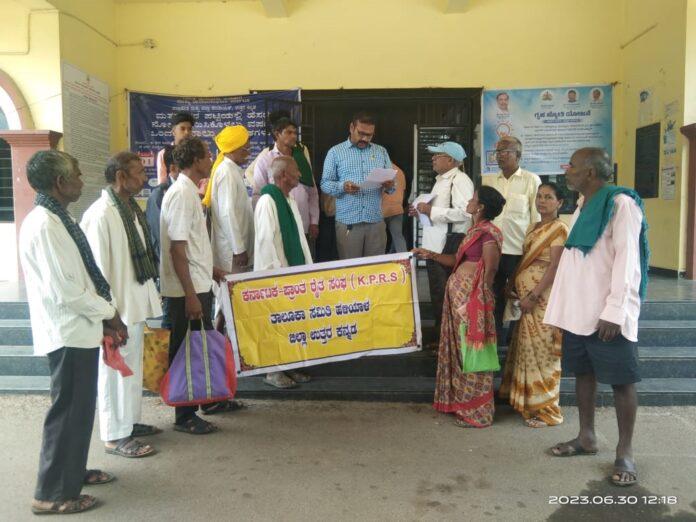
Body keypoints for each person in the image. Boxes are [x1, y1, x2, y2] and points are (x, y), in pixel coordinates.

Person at [20, 150, 126, 515]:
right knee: (67, 412)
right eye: (77, 174)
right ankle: (51, 494)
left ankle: (72, 473)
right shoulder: (45, 225)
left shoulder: (58, 217)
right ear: (60, 182)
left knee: (80, 409)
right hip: (66, 332)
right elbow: (67, 291)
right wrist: (110, 313)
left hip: (78, 329)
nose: (83, 179)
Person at [544, 148, 649, 487]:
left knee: (621, 382)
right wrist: (561, 310)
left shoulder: (621, 204)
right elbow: (576, 264)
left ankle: (625, 452)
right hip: (578, 312)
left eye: (571, 165)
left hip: (607, 315)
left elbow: (628, 261)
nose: (567, 170)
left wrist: (616, 311)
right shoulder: (581, 206)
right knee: (583, 374)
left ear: (589, 172)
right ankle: (586, 437)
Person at [81, 152, 163, 457]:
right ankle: (115, 436)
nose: (144, 178)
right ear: (120, 177)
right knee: (115, 372)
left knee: (131, 369)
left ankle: (129, 422)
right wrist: (108, 316)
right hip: (116, 311)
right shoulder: (101, 214)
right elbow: (97, 272)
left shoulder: (128, 209)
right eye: (139, 172)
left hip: (134, 304)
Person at [412, 186, 505, 428]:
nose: (469, 201)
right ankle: (461, 404)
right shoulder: (473, 230)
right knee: (459, 348)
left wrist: (478, 298)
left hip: (472, 299)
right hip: (458, 297)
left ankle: (478, 412)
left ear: (481, 206)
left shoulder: (489, 233)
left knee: (472, 349)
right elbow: (456, 261)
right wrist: (429, 254)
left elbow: (490, 271)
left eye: (473, 198)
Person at [160, 136, 230, 434]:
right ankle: (184, 415)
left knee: (198, 349)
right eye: (207, 155)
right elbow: (177, 249)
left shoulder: (190, 192)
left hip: (198, 284)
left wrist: (211, 270)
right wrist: (190, 295)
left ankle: (202, 401)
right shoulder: (181, 194)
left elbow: (191, 245)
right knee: (185, 351)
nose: (211, 160)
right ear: (196, 160)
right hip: (184, 291)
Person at [498, 183, 568, 427]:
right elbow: (525, 260)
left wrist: (534, 295)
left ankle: (548, 410)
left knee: (542, 350)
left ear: (559, 203)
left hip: (543, 298)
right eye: (539, 197)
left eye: (549, 197)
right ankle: (528, 403)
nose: (542, 201)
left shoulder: (559, 229)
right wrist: (512, 283)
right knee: (527, 348)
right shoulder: (532, 227)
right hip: (525, 295)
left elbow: (555, 266)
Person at [255, 156, 313, 389]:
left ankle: (289, 366)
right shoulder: (268, 201)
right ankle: (272, 372)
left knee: (292, 324)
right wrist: (275, 279)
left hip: (293, 275)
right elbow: (265, 243)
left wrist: (307, 269)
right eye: (296, 170)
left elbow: (299, 240)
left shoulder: (288, 201)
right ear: (283, 176)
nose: (300, 174)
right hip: (276, 277)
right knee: (275, 324)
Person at [409, 141, 474, 348]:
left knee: (445, 294)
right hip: (435, 245)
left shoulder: (460, 180)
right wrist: (421, 212)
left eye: (438, 155)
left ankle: (447, 341)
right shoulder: (442, 180)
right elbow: (439, 213)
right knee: (438, 293)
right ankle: (442, 338)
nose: (433, 158)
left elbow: (465, 213)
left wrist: (432, 211)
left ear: (451, 160)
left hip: (448, 246)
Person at [482, 136, 541, 335]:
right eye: (498, 151)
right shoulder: (489, 180)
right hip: (492, 250)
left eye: (505, 151)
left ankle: (517, 342)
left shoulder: (531, 180)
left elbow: (536, 218)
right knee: (493, 296)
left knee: (520, 295)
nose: (500, 155)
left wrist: (533, 250)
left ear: (518, 155)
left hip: (518, 251)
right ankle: (494, 341)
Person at [321, 111, 395, 259]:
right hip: (348, 223)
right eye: (361, 133)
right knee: (352, 271)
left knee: (375, 271)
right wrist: (343, 187)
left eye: (369, 135)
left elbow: (392, 188)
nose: (365, 138)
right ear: (351, 127)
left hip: (375, 222)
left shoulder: (381, 151)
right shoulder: (335, 152)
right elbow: (325, 184)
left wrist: (388, 184)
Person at [252, 116, 319, 252]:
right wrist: (263, 224)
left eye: (295, 132)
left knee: (305, 262)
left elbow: (312, 192)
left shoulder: (301, 158)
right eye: (289, 132)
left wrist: (314, 222)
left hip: (303, 223)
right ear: (277, 134)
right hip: (278, 225)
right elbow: (258, 194)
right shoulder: (265, 160)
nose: (294, 136)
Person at [204, 125, 255, 274]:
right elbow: (227, 213)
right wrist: (238, 249)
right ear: (233, 149)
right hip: (232, 252)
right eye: (245, 149)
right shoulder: (227, 172)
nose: (248, 153)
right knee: (230, 293)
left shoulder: (232, 170)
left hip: (236, 248)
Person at [155, 111, 195, 185]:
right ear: (173, 132)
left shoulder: (196, 152)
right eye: (182, 129)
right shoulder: (163, 154)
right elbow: (162, 183)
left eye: (189, 129)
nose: (187, 132)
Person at [382, 163, 407, 253]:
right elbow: (403, 192)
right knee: (398, 237)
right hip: (397, 208)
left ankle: (380, 263)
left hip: (382, 209)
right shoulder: (400, 171)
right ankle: (404, 261)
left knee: (379, 239)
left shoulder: (380, 171)